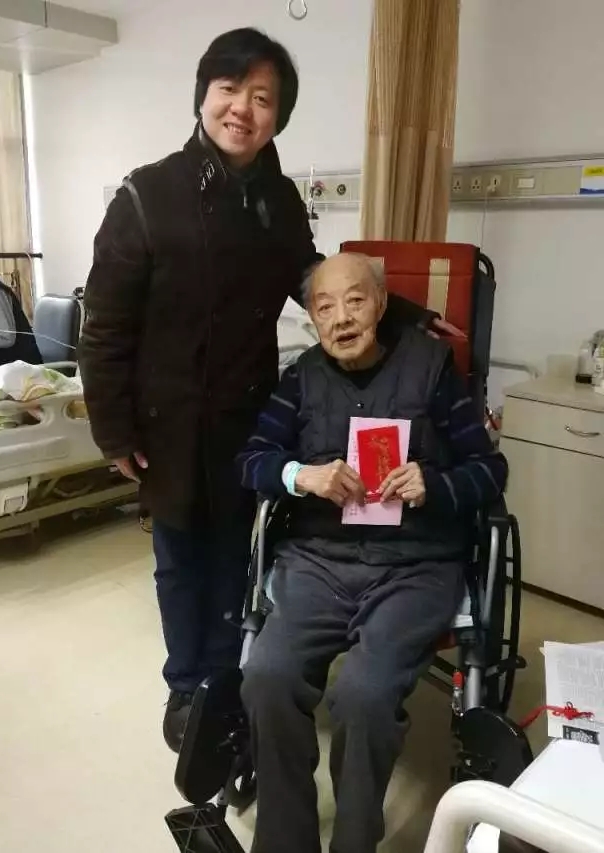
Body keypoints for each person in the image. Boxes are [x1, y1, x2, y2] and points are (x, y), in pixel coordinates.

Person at [78, 27, 460, 754]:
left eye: (262, 98)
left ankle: (230, 683)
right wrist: (113, 430)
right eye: (229, 90)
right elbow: (104, 324)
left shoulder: (278, 199)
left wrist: (402, 313)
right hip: (167, 421)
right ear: (203, 96)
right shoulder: (147, 193)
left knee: (239, 554)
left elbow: (312, 277)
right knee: (180, 559)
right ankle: (187, 688)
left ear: (278, 116)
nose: (242, 109)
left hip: (246, 412)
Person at [236, 252, 508, 853]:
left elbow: (489, 470)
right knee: (267, 676)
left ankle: (354, 844)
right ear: (313, 318)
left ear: (381, 305)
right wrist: (300, 475)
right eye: (324, 307)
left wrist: (435, 484)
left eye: (355, 300)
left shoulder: (431, 369)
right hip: (318, 560)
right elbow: (251, 459)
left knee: (364, 693)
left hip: (415, 564)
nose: (341, 318)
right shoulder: (302, 377)